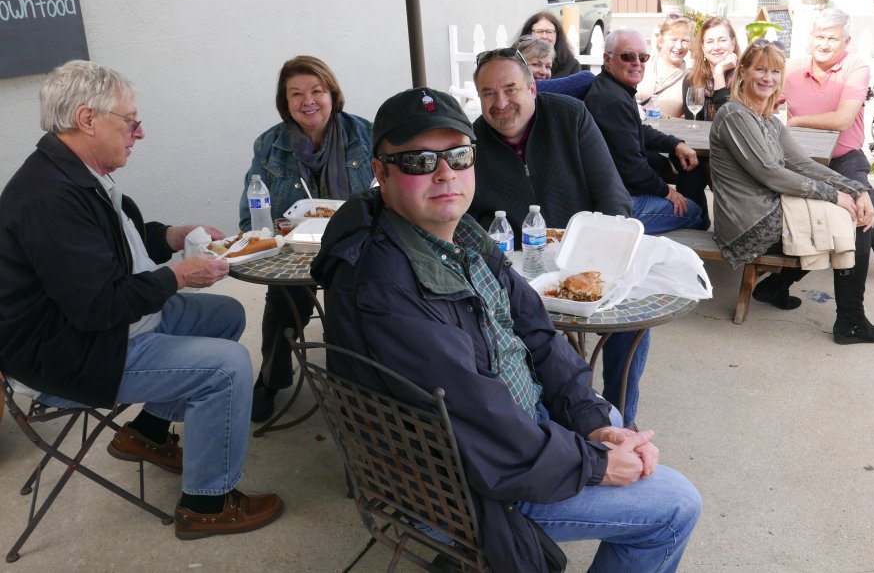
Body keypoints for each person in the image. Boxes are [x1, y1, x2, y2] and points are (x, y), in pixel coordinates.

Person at [310, 86, 701, 573]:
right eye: (417, 161)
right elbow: (479, 423)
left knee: (614, 419)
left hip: (508, 436)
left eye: (458, 154)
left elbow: (537, 334)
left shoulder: (462, 237)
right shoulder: (385, 286)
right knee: (676, 504)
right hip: (466, 483)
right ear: (381, 174)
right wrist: (594, 463)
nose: (444, 173)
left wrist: (593, 423)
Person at [0, 60, 283, 539]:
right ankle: (207, 504)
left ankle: (148, 433)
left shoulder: (76, 174)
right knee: (228, 366)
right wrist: (178, 276)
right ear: (88, 119)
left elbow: (116, 245)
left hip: (100, 329)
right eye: (130, 122)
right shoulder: (51, 198)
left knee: (225, 313)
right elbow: (97, 307)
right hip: (71, 355)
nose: (140, 132)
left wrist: (171, 237)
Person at [469, 47, 651, 428]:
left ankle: (621, 416)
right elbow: (466, 221)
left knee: (630, 318)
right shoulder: (471, 145)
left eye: (510, 89)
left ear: (532, 88)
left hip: (586, 254)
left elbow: (613, 194)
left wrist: (601, 254)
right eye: (488, 93)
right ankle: (556, 416)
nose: (500, 103)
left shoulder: (568, 116)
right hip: (518, 269)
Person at [709, 43, 874, 344]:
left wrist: (855, 188)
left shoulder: (768, 121)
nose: (768, 77)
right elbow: (771, 172)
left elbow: (803, 165)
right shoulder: (734, 115)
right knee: (853, 225)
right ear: (742, 71)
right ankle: (851, 322)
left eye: (775, 71)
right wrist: (833, 196)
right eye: (761, 69)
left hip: (771, 207)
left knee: (849, 214)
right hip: (748, 224)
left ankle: (774, 287)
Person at [239, 55, 374, 422]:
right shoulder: (270, 145)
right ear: (286, 101)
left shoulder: (365, 134)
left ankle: (354, 383)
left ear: (332, 94)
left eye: (317, 91)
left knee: (357, 299)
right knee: (284, 300)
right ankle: (271, 379)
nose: (308, 101)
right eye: (296, 94)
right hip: (297, 248)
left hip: (355, 243)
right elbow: (250, 210)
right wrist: (264, 234)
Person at [784, 9, 874, 293]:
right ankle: (779, 266)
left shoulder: (855, 67)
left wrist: (797, 121)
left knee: (861, 194)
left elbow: (843, 119)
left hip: (843, 156)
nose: (824, 44)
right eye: (819, 37)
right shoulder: (791, 70)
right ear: (810, 39)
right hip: (801, 159)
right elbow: (759, 99)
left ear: (846, 41)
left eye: (833, 38)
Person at [585, 28, 706, 232]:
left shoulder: (614, 87)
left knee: (669, 167)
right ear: (607, 59)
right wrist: (668, 192)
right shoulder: (612, 100)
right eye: (628, 56)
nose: (637, 63)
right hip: (617, 205)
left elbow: (636, 130)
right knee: (694, 212)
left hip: (617, 189)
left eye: (643, 57)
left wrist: (674, 144)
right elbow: (632, 169)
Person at [635, 13, 695, 119]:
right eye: (673, 39)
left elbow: (690, 123)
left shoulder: (691, 79)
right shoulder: (641, 64)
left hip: (661, 133)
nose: (679, 46)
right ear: (661, 40)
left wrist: (663, 117)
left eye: (684, 41)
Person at [683, 16, 740, 122]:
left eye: (722, 40)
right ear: (703, 48)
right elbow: (692, 124)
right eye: (709, 41)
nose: (716, 47)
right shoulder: (691, 80)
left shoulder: (744, 78)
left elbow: (728, 122)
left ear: (733, 44)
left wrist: (719, 73)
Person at [519, 11, 582, 78]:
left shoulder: (571, 65)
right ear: (529, 33)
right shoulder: (517, 61)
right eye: (539, 32)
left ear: (557, 35)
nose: (544, 36)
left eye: (549, 32)